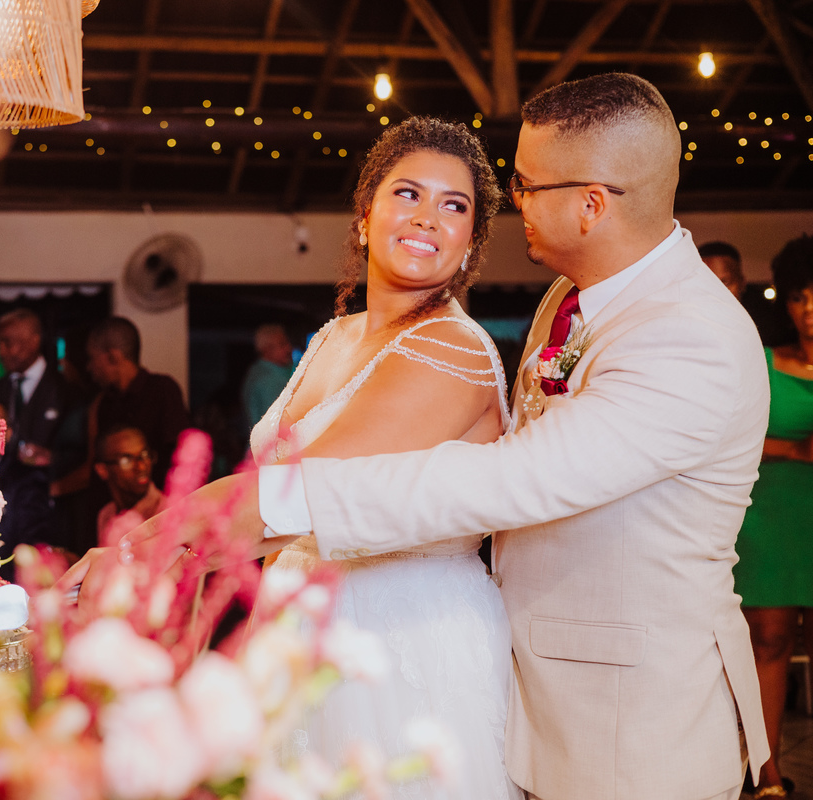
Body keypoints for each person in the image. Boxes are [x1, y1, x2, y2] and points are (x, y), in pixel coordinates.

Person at [73, 73, 772, 800]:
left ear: (590, 204)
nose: (516, 202)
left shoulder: (690, 340)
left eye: (526, 186)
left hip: (631, 721)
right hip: (523, 675)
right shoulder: (570, 299)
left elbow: (507, 479)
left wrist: (252, 510)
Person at [72, 116, 520, 798]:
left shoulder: (449, 352)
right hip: (297, 621)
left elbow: (290, 496)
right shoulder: (334, 337)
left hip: (398, 638)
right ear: (364, 218)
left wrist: (133, 553)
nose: (428, 217)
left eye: (453, 206)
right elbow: (268, 502)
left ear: (469, 243)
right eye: (407, 194)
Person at [734, 235, 813, 799]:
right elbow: (723, 436)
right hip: (773, 516)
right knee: (769, 641)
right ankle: (768, 775)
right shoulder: (759, 363)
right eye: (799, 297)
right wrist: (791, 450)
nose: (809, 308)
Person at [0, 309, 74, 565]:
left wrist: (54, 458)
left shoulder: (66, 390)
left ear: (34, 340)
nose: (2, 352)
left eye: (8, 342)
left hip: (56, 507)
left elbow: (85, 453)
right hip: (8, 511)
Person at [87, 317, 190, 488]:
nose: (89, 367)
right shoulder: (105, 402)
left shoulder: (162, 389)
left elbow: (181, 455)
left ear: (113, 356)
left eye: (92, 358)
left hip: (161, 506)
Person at [93, 426, 164, 548]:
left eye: (145, 455)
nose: (141, 467)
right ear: (102, 470)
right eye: (126, 460)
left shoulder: (165, 512)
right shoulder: (106, 515)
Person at [241, 324, 294, 434]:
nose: (289, 348)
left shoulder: (259, 371)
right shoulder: (269, 380)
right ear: (267, 349)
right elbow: (278, 426)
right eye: (282, 344)